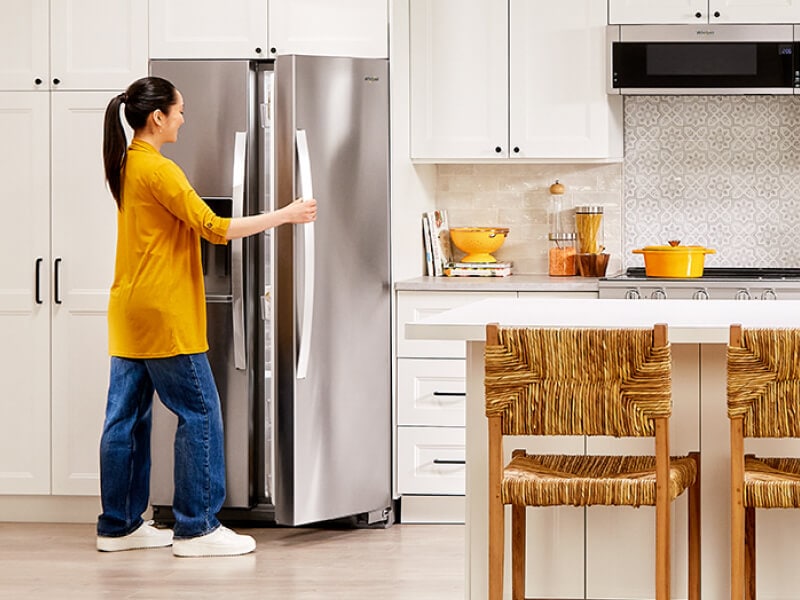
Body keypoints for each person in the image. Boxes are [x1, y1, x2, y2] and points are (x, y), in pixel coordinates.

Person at [96, 76, 317, 557]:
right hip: (165, 312)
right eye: (179, 110)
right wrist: (286, 214)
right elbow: (215, 228)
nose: (183, 118)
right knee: (200, 412)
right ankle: (197, 529)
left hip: (130, 308)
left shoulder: (126, 162)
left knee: (126, 419)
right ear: (158, 117)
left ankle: (119, 526)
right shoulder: (160, 170)